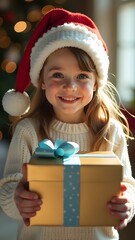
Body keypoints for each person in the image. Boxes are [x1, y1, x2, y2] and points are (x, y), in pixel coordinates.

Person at [0, 8, 135, 240]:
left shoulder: (110, 131)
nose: (70, 86)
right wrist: (18, 198)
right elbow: (8, 189)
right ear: (41, 80)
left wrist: (127, 204)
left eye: (82, 76)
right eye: (58, 75)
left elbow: (126, 184)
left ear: (95, 83)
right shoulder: (28, 131)